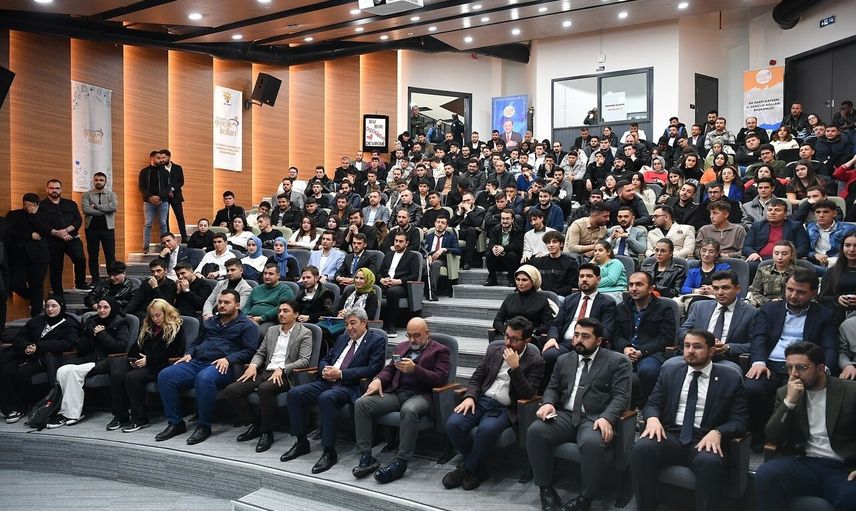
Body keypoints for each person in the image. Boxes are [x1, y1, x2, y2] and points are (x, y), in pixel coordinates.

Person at [630, 329, 748, 511]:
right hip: (671, 435)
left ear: (711, 351)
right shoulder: (670, 371)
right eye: (687, 346)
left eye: (697, 347)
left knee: (710, 462)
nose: (690, 351)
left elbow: (740, 421)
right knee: (641, 448)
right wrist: (652, 418)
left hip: (704, 438)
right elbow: (652, 403)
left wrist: (719, 432)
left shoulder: (730, 379)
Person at [529, 318, 632, 511]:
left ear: (599, 340)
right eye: (576, 335)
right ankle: (546, 489)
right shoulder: (563, 359)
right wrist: (549, 402)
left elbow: (621, 396)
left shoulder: (617, 362)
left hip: (594, 418)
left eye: (585, 336)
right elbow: (552, 387)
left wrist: (607, 417)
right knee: (536, 431)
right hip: (565, 415)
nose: (578, 340)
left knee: (592, 444)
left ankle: (586, 499)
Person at [443, 316, 545, 491]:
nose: (508, 343)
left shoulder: (536, 361)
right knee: (453, 424)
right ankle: (478, 468)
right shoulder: (494, 350)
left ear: (527, 340)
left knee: (486, 430)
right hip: (481, 400)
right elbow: (477, 377)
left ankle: (466, 469)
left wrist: (515, 368)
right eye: (506, 337)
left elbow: (528, 394)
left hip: (504, 408)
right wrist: (470, 397)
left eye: (514, 339)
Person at [280, 307, 386, 473]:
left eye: (353, 323)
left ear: (364, 323)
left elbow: (373, 368)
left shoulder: (376, 340)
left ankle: (329, 451)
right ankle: (301, 442)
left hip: (350, 385)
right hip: (327, 380)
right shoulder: (343, 338)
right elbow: (326, 359)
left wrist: (341, 374)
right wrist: (324, 369)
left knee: (326, 397)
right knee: (294, 393)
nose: (349, 328)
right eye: (346, 324)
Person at [754, 342, 856, 511]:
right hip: (803, 462)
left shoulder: (850, 391)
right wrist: (789, 403)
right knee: (766, 474)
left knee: (850, 497)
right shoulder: (785, 392)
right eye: (789, 368)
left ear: (820, 369)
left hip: (843, 467)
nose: (794, 374)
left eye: (801, 368)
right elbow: (772, 436)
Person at [745, 270, 838, 450]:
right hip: (770, 365)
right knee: (752, 388)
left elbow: (829, 347)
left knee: (795, 392)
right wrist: (758, 362)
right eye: (790, 289)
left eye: (801, 292)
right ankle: (759, 437)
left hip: (804, 368)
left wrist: (823, 371)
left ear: (814, 292)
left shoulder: (825, 315)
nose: (793, 295)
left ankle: (790, 440)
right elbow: (759, 338)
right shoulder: (769, 309)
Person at [352, 317, 451, 483]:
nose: (412, 340)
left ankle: (401, 461)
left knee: (409, 409)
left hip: (422, 395)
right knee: (362, 403)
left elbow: (440, 379)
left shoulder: (440, 350)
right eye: (409, 335)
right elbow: (390, 370)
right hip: (397, 392)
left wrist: (415, 369)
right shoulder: (402, 347)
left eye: (417, 335)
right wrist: (378, 379)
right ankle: (366, 455)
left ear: (427, 333)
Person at [155, 289, 259, 445]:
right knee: (166, 375)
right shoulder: (210, 321)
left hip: (224, 366)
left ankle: (204, 426)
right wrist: (190, 353)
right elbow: (197, 342)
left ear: (237, 305)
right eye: (220, 302)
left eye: (227, 302)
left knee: (204, 378)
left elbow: (250, 350)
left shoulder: (247, 325)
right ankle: (175, 423)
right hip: (198, 361)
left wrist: (229, 359)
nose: (221, 305)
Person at [223, 299, 313, 453]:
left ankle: (267, 432)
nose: (281, 314)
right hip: (266, 371)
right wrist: (253, 366)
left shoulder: (304, 333)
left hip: (286, 376)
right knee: (232, 390)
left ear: (296, 314)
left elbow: (304, 360)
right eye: (279, 311)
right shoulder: (272, 330)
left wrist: (283, 369)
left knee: (264, 389)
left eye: (286, 311)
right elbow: (260, 353)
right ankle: (255, 424)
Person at [48, 297, 131, 428]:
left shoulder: (121, 322)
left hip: (108, 360)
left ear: (113, 308)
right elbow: (81, 347)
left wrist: (102, 334)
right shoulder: (92, 321)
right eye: (99, 307)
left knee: (74, 372)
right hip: (89, 357)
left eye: (106, 307)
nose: (101, 310)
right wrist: (91, 336)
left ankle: (71, 414)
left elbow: (120, 347)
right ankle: (66, 410)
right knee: (62, 370)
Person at [0, 296, 80, 423]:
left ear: (61, 307)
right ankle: (7, 407)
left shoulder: (69, 324)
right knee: (5, 368)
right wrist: (27, 347)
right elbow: (20, 337)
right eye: (47, 306)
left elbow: (67, 344)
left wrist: (38, 347)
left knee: (21, 373)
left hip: (46, 358)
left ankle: (19, 407)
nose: (50, 309)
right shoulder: (37, 321)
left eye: (54, 306)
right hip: (25, 353)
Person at [110, 299, 186, 433]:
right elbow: (135, 348)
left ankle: (140, 418)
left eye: (158, 315)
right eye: (152, 316)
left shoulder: (176, 328)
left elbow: (173, 353)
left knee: (132, 377)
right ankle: (120, 415)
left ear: (166, 313)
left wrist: (149, 360)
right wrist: (133, 360)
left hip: (161, 365)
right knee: (117, 374)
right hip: (144, 363)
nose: (155, 319)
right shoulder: (148, 327)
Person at [542, 263, 616, 382]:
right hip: (565, 343)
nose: (584, 279)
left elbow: (606, 330)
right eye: (581, 276)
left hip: (589, 343)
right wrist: (552, 338)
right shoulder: (569, 300)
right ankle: (549, 391)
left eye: (589, 276)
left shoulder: (607, 303)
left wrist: (587, 340)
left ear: (598, 279)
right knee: (549, 355)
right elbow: (556, 324)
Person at [613, 272, 676, 406]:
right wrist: (625, 347)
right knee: (607, 365)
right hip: (624, 350)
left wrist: (641, 351)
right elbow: (615, 335)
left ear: (651, 289)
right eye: (631, 285)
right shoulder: (621, 307)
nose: (634, 288)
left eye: (639, 285)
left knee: (649, 371)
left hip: (651, 353)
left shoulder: (664, 309)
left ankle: (645, 406)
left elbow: (666, 338)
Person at [677, 270, 757, 373]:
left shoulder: (751, 312)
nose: (720, 293)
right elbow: (682, 331)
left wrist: (727, 347)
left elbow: (755, 344)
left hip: (726, 359)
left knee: (730, 371)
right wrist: (699, 340)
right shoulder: (699, 307)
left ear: (737, 289)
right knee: (669, 366)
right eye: (715, 288)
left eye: (725, 288)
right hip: (695, 355)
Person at [38, 179, 88, 293]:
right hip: (52, 241)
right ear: (47, 189)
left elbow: (78, 220)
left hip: (71, 238)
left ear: (61, 190)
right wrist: (57, 233)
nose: (54, 190)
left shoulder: (71, 204)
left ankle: (80, 283)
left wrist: (66, 231)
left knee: (80, 259)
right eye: (51, 188)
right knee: (56, 268)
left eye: (57, 188)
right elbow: (41, 224)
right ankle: (58, 294)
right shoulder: (41, 206)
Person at [6, 193, 51, 317]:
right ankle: (34, 298)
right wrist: (30, 236)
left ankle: (36, 314)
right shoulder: (14, 215)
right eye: (26, 204)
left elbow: (46, 231)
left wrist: (33, 215)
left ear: (37, 205)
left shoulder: (43, 216)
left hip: (39, 256)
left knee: (37, 284)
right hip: (19, 256)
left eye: (31, 205)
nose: (28, 207)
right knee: (15, 284)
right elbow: (10, 233)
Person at [492, 265, 554, 339]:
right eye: (518, 279)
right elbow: (497, 322)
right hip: (507, 336)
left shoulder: (542, 300)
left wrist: (532, 332)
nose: (520, 283)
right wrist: (508, 330)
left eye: (524, 280)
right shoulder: (510, 298)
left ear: (533, 281)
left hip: (529, 338)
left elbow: (548, 325)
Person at [379, 233, 421, 336]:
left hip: (402, 285)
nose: (397, 243)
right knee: (373, 289)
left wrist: (398, 281)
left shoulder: (412, 256)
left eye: (401, 241)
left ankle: (391, 325)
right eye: (396, 241)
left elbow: (415, 275)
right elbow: (379, 272)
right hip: (386, 283)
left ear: (407, 243)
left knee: (392, 291)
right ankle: (372, 322)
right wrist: (381, 280)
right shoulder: (388, 255)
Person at [81, 171, 117, 282]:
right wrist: (105, 210)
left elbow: (114, 207)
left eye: (101, 180)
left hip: (108, 229)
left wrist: (96, 207)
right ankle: (95, 280)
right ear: (93, 181)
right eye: (96, 180)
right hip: (91, 229)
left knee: (110, 255)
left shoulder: (111, 194)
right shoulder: (86, 195)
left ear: (106, 182)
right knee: (93, 255)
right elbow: (86, 209)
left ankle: (112, 278)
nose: (99, 182)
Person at [243, 263, 295, 334]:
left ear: (278, 276)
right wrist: (246, 316)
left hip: (270, 321)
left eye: (271, 274)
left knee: (259, 332)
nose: (267, 276)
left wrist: (262, 318)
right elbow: (247, 306)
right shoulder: (256, 289)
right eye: (265, 273)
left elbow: (281, 308)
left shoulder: (285, 290)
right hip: (251, 319)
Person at [808, 201, 856, 271]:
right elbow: (805, 248)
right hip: (816, 263)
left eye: (825, 212)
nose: (821, 215)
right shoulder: (810, 227)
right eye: (818, 212)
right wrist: (814, 255)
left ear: (834, 214)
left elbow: (850, 249)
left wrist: (833, 260)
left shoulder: (849, 228)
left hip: (839, 263)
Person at [747, 240, 797, 307]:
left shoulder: (799, 272)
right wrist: (769, 302)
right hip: (767, 307)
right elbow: (754, 292)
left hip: (792, 307)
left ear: (791, 255)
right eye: (776, 253)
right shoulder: (763, 271)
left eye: (784, 254)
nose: (779, 257)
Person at [529, 231, 579, 297]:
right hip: (541, 296)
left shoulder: (571, 263)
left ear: (561, 244)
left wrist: (552, 294)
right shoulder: (538, 262)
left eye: (554, 242)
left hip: (561, 297)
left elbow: (572, 286)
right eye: (548, 242)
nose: (551, 245)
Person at [422, 215, 461, 300]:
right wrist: (427, 256)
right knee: (420, 264)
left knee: (435, 264)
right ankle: (414, 290)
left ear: (446, 226)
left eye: (443, 223)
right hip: (429, 258)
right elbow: (423, 250)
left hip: (443, 259)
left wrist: (444, 249)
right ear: (435, 223)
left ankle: (432, 292)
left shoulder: (451, 236)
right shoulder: (429, 236)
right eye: (438, 222)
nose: (440, 225)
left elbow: (457, 250)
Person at [819, 233, 856, 319]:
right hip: (836, 316)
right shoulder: (832, 272)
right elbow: (822, 298)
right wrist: (837, 299)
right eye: (847, 245)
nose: (851, 249)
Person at [138, 154, 170, 253]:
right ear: (152, 158)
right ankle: (145, 246)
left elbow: (168, 187)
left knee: (163, 223)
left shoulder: (165, 172)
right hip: (148, 202)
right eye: (158, 158)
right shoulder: (144, 171)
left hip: (163, 201)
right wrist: (150, 197)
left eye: (161, 158)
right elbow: (141, 187)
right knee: (148, 223)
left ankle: (165, 246)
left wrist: (159, 197)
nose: (161, 160)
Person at [484, 209, 524, 287]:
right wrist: (494, 248)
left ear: (512, 220)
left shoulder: (518, 230)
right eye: (503, 218)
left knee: (512, 255)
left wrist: (503, 248)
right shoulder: (495, 229)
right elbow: (491, 242)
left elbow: (516, 245)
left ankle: (511, 278)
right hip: (498, 259)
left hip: (512, 261)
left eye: (507, 219)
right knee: (489, 254)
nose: (505, 221)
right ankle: (492, 278)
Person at [159, 149, 188, 242]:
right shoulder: (159, 169)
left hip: (176, 196)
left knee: (180, 217)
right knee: (165, 219)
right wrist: (167, 191)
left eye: (164, 157)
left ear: (169, 157)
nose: (162, 159)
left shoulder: (178, 168)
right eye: (160, 158)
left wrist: (172, 189)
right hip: (164, 196)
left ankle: (184, 237)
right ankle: (168, 238)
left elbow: (181, 181)